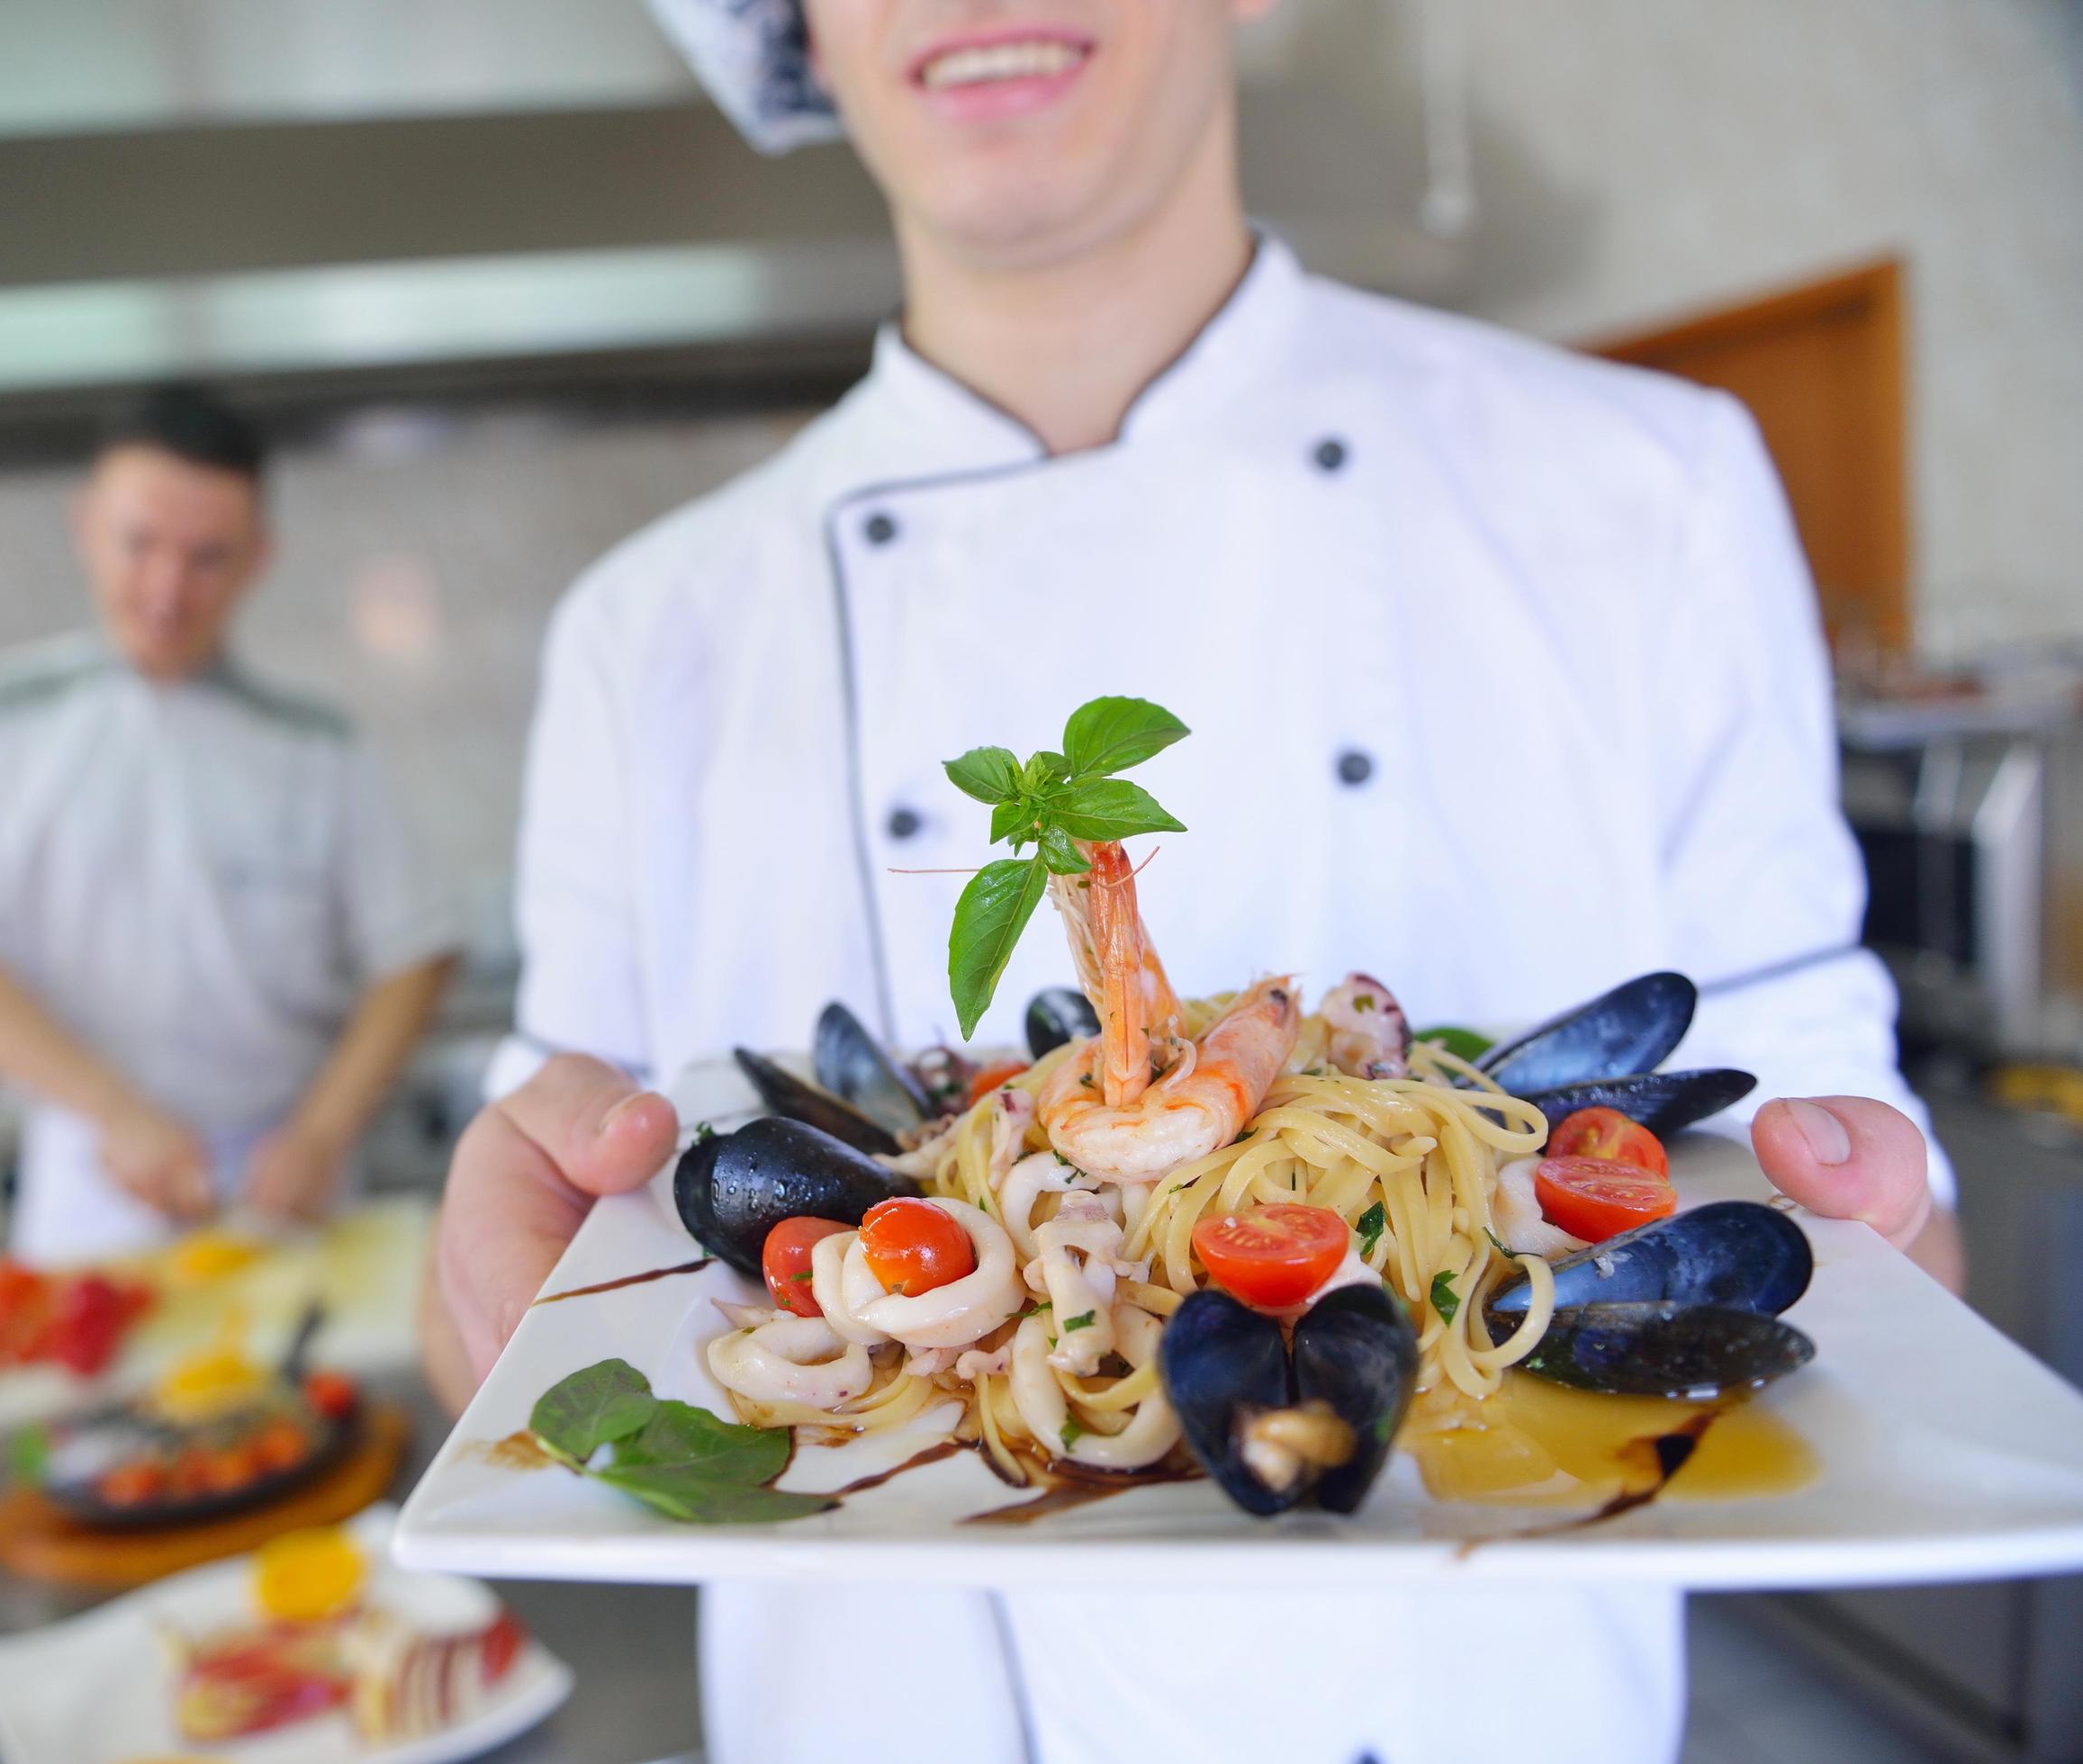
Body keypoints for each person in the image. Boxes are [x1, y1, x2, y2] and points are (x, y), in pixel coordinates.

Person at [424, 3, 1959, 1760]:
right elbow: (527, 1285)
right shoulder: (649, 635)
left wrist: (1888, 1239)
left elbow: (1889, 1245)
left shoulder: (1650, 493)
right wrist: (490, 1295)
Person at [0, 386, 457, 1265]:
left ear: (258, 558)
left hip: (292, 1178)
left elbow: (416, 954)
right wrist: (112, 1109)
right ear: (85, 526)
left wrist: (322, 1134)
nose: (168, 589)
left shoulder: (320, 745)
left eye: (207, 556)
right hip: (91, 1178)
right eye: (139, 544)